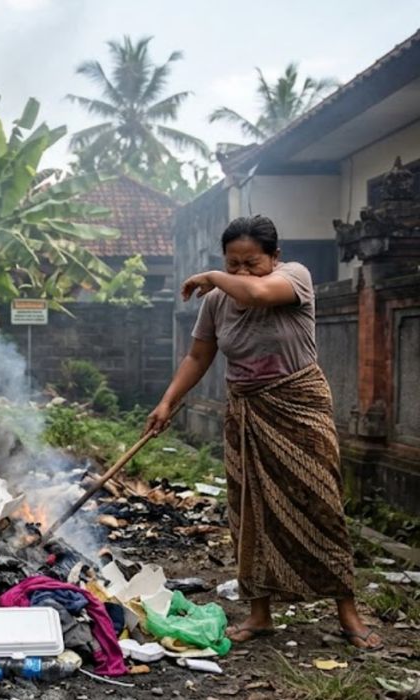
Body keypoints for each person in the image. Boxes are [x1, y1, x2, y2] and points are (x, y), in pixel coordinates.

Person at [145, 215, 382, 650]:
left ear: (275, 256)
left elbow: (256, 293)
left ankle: (347, 612)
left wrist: (215, 276)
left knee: (321, 503)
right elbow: (198, 356)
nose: (240, 272)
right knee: (250, 510)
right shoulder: (217, 300)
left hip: (299, 405)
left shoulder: (295, 277)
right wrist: (167, 402)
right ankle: (260, 613)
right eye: (231, 263)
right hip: (246, 412)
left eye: (251, 262)